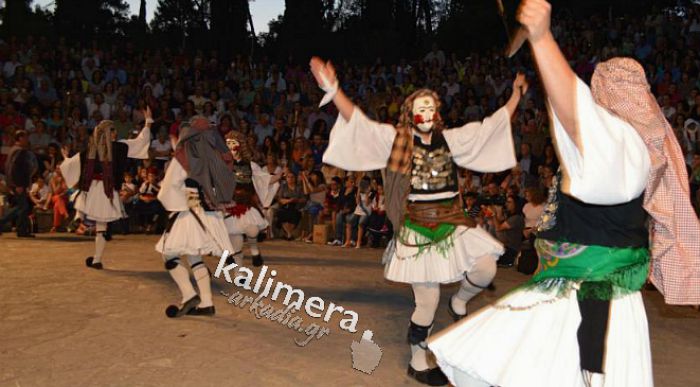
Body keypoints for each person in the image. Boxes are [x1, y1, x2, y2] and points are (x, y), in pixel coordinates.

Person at [428, 2, 700, 386]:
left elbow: (577, 112)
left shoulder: (624, 144)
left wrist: (543, 40)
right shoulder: (619, 146)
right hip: (567, 293)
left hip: (590, 304)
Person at [311, 56, 525, 386]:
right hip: (416, 226)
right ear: (410, 114)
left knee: (486, 268)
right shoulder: (395, 139)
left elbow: (490, 128)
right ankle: (417, 359)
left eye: (430, 108)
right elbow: (359, 121)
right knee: (427, 302)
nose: (425, 114)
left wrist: (515, 96)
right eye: (419, 108)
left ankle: (460, 301)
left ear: (437, 114)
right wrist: (334, 89)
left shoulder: (451, 140)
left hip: (452, 221)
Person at [156, 116, 236, 317]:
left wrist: (172, 204)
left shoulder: (185, 155)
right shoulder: (218, 155)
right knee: (193, 255)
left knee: (170, 254)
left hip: (189, 208)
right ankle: (206, 303)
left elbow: (169, 186)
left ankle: (189, 294)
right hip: (209, 212)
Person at [60, 108, 152, 269]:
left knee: (89, 214)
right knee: (102, 227)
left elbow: (73, 164)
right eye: (113, 131)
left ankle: (79, 218)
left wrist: (66, 159)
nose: (115, 133)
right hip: (106, 191)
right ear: (111, 133)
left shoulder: (92, 148)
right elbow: (141, 142)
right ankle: (96, 258)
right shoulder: (119, 147)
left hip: (91, 190)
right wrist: (148, 123)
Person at [222, 131, 278, 268]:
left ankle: (254, 250)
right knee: (230, 232)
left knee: (252, 230)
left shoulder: (250, 165)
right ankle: (232, 254)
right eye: (227, 143)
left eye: (233, 143)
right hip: (229, 203)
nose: (230, 147)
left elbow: (264, 179)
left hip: (246, 203)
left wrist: (280, 175)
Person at [0, 130, 38, 237]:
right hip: (19, 184)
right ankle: (18, 229)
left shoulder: (13, 150)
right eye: (25, 138)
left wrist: (11, 183)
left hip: (15, 183)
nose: (27, 140)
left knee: (22, 207)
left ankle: (22, 230)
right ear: (20, 138)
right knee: (22, 207)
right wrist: (18, 185)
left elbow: (8, 168)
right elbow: (14, 170)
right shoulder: (20, 151)